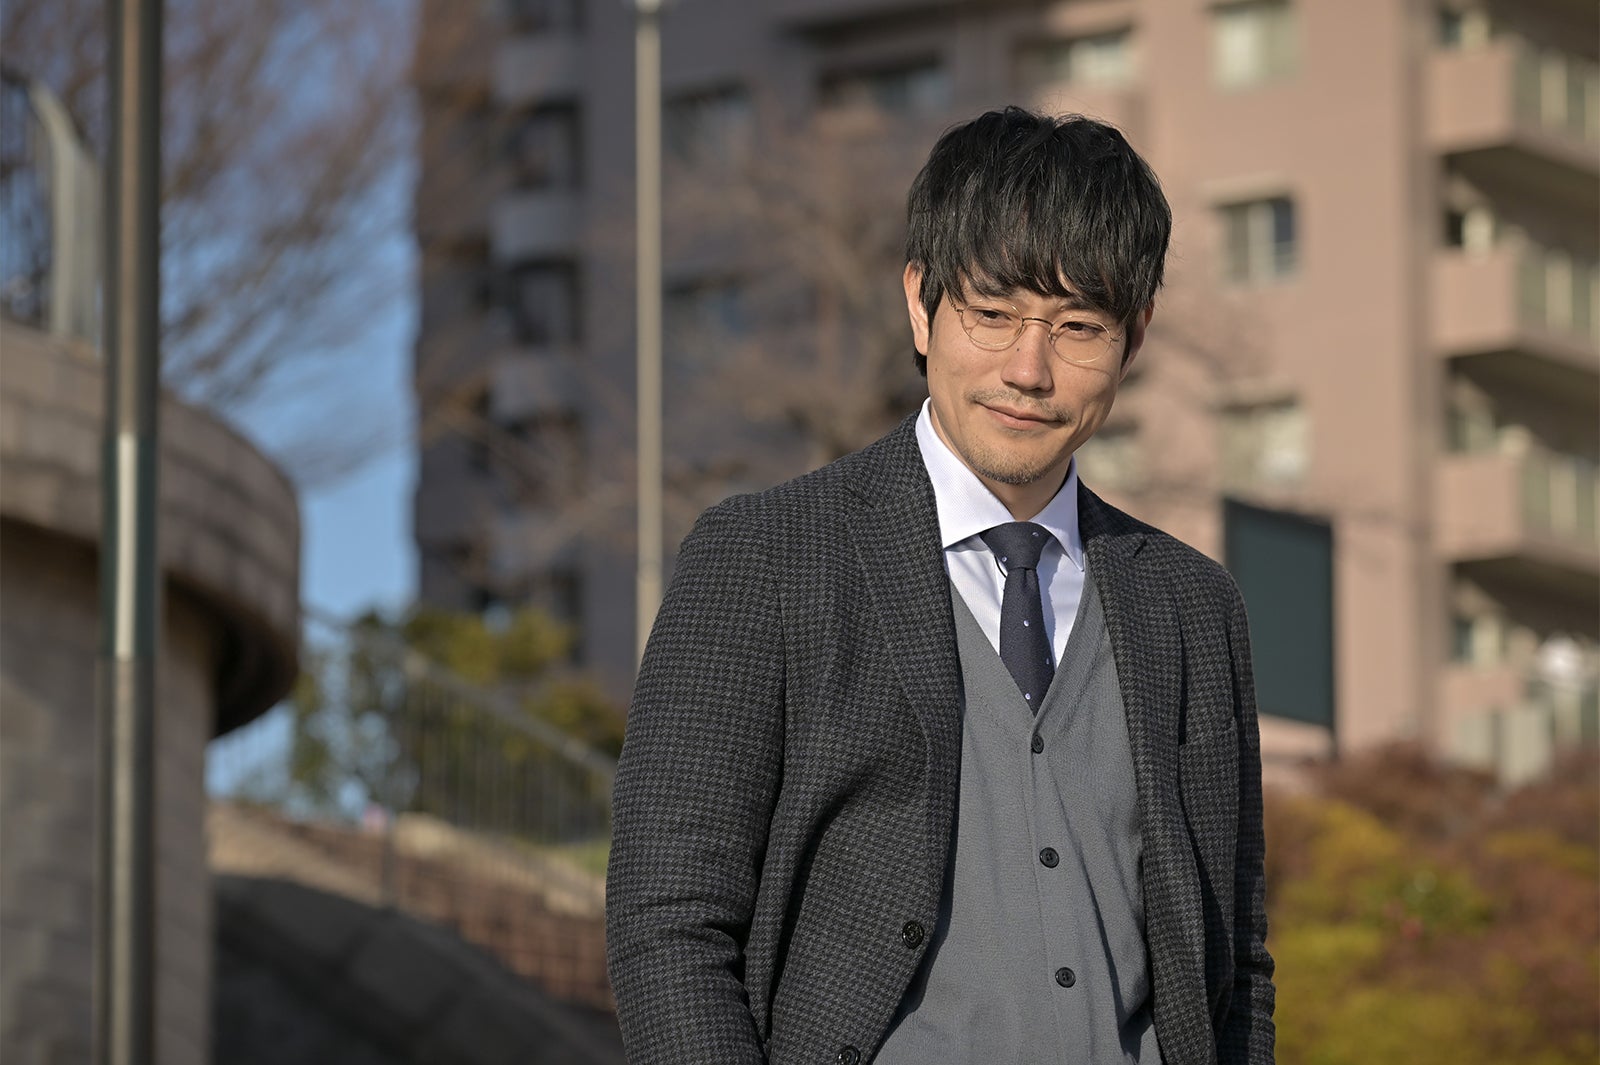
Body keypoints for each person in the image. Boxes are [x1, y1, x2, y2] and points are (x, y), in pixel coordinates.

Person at [606, 107, 1275, 1065]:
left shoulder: (1193, 607)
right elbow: (668, 921)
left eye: (1078, 327)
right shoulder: (766, 558)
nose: (1029, 370)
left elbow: (1236, 964)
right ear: (921, 303)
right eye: (992, 315)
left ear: (1135, 337)